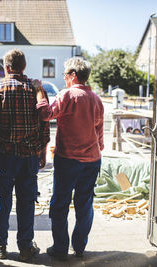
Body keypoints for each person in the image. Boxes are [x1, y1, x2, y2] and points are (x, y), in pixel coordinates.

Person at [0, 49, 50, 262]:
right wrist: (42, 152)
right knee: (26, 201)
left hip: (4, 155)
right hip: (29, 156)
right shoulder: (35, 89)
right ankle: (26, 247)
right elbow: (44, 125)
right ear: (24, 66)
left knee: (1, 199)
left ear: (6, 67)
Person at [35, 57, 103, 260]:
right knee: (84, 204)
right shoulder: (96, 99)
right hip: (92, 160)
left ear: (73, 75)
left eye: (65, 75)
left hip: (68, 160)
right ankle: (79, 247)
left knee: (60, 204)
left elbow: (45, 114)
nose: (64, 78)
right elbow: (99, 132)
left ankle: (60, 249)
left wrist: (39, 92)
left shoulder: (67, 95)